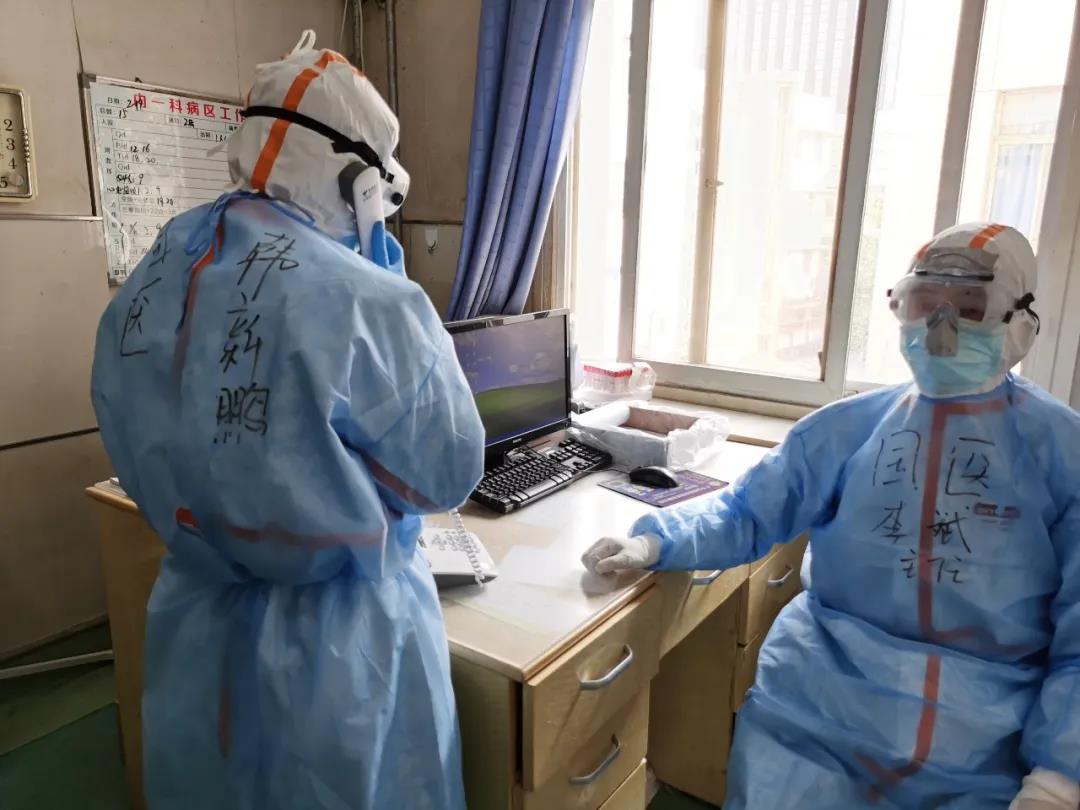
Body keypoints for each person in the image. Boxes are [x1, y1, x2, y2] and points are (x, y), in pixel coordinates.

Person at [91, 31, 484, 810]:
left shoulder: (163, 263)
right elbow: (446, 471)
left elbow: (131, 423)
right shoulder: (367, 299)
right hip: (339, 643)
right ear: (360, 179)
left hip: (197, 618)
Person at [582, 223, 1080, 809]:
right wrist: (654, 543)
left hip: (983, 741)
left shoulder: (1062, 451)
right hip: (820, 706)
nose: (940, 330)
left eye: (969, 308)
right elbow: (748, 512)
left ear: (1020, 325)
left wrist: (1057, 778)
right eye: (925, 304)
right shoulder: (850, 427)